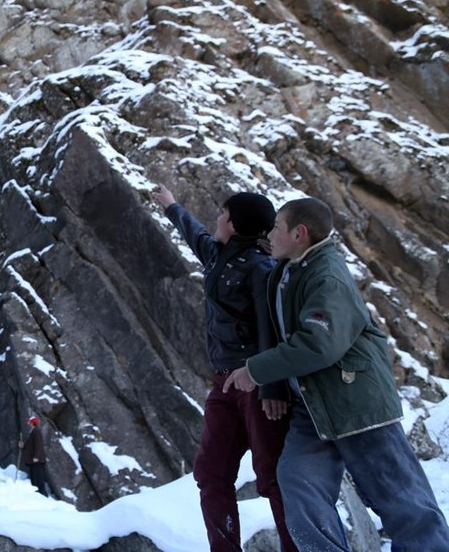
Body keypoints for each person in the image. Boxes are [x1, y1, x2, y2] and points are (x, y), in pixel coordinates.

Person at [224, 197, 449, 550]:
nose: (270, 234)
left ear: (299, 233)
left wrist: (256, 371)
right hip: (313, 407)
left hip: (357, 402)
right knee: (298, 482)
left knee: (401, 498)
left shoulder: (326, 274)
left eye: (277, 228)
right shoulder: (290, 268)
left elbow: (319, 344)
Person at [152, 184, 296, 552]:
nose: (217, 217)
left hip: (255, 382)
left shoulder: (260, 268)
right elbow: (196, 235)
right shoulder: (219, 257)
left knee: (271, 477)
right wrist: (172, 206)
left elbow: (272, 330)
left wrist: (271, 386)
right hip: (224, 384)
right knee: (211, 473)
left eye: (223, 212)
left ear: (233, 223)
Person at [19, 416, 48, 496]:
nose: (28, 422)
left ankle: (41, 493)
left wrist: (36, 456)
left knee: (38, 477)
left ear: (32, 422)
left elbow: (38, 444)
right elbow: (31, 445)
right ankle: (38, 492)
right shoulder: (33, 431)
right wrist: (23, 446)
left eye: (29, 421)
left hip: (36, 460)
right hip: (34, 459)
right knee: (34, 476)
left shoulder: (36, 431)